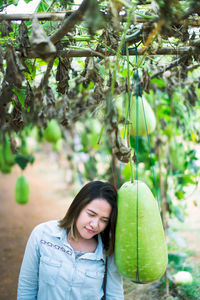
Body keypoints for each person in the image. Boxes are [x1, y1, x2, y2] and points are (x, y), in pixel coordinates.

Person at [17, 180, 124, 300]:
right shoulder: (42, 235)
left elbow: (115, 296)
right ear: (77, 207)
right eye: (91, 214)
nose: (95, 224)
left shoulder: (108, 250)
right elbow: (27, 288)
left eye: (104, 220)